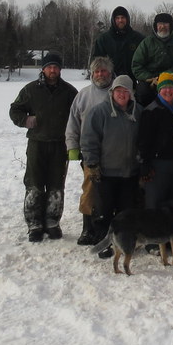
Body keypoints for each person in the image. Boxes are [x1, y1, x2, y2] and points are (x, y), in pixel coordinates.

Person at [9, 51, 79, 242]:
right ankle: (34, 224)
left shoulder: (69, 92)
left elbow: (78, 116)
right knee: (34, 185)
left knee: (57, 186)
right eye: (49, 67)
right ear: (43, 68)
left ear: (60, 69)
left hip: (59, 145)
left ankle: (52, 222)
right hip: (37, 144)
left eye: (56, 67)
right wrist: (26, 120)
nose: (52, 70)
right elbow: (15, 109)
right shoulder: (31, 90)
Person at [81, 75, 143, 258]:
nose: (122, 94)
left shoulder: (138, 112)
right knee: (103, 210)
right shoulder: (99, 112)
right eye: (118, 91)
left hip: (129, 172)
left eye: (126, 91)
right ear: (112, 92)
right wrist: (92, 163)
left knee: (126, 212)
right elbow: (89, 140)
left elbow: (143, 140)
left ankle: (124, 242)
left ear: (131, 93)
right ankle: (103, 243)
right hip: (106, 172)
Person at [65, 56, 114, 245]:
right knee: (90, 190)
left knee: (109, 192)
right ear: (92, 74)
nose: (100, 74)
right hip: (90, 153)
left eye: (104, 71)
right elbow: (73, 123)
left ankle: (106, 228)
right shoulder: (84, 95)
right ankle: (87, 228)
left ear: (110, 72)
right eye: (97, 71)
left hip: (113, 153)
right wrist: (72, 147)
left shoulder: (119, 92)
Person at [136, 72, 173, 211]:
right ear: (159, 90)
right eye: (164, 87)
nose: (168, 91)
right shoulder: (151, 111)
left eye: (171, 87)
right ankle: (153, 232)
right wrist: (144, 163)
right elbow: (143, 140)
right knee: (154, 202)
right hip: (157, 164)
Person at [131, 12, 173, 106]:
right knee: (142, 94)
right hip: (149, 80)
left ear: (170, 26)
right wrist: (150, 78)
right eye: (160, 24)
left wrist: (164, 76)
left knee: (171, 94)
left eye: (166, 24)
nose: (162, 26)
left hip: (170, 78)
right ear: (156, 26)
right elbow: (136, 65)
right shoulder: (147, 43)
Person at [91, 6, 145, 81]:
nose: (120, 20)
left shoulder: (138, 38)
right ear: (113, 20)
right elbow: (97, 63)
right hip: (109, 81)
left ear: (127, 19)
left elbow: (145, 60)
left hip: (133, 80)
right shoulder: (103, 39)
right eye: (117, 18)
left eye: (123, 17)